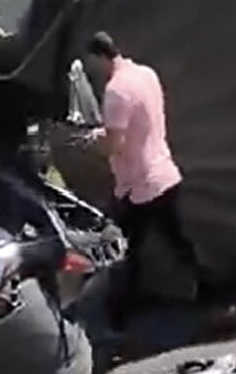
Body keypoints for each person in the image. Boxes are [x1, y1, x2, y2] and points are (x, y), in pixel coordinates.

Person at [81, 31, 205, 331]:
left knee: (124, 251)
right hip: (164, 171)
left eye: (91, 63)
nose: (91, 70)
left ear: (99, 57)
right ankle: (207, 292)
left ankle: (117, 317)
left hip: (139, 185)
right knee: (177, 242)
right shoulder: (146, 74)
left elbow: (114, 145)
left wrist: (91, 142)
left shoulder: (116, 91)